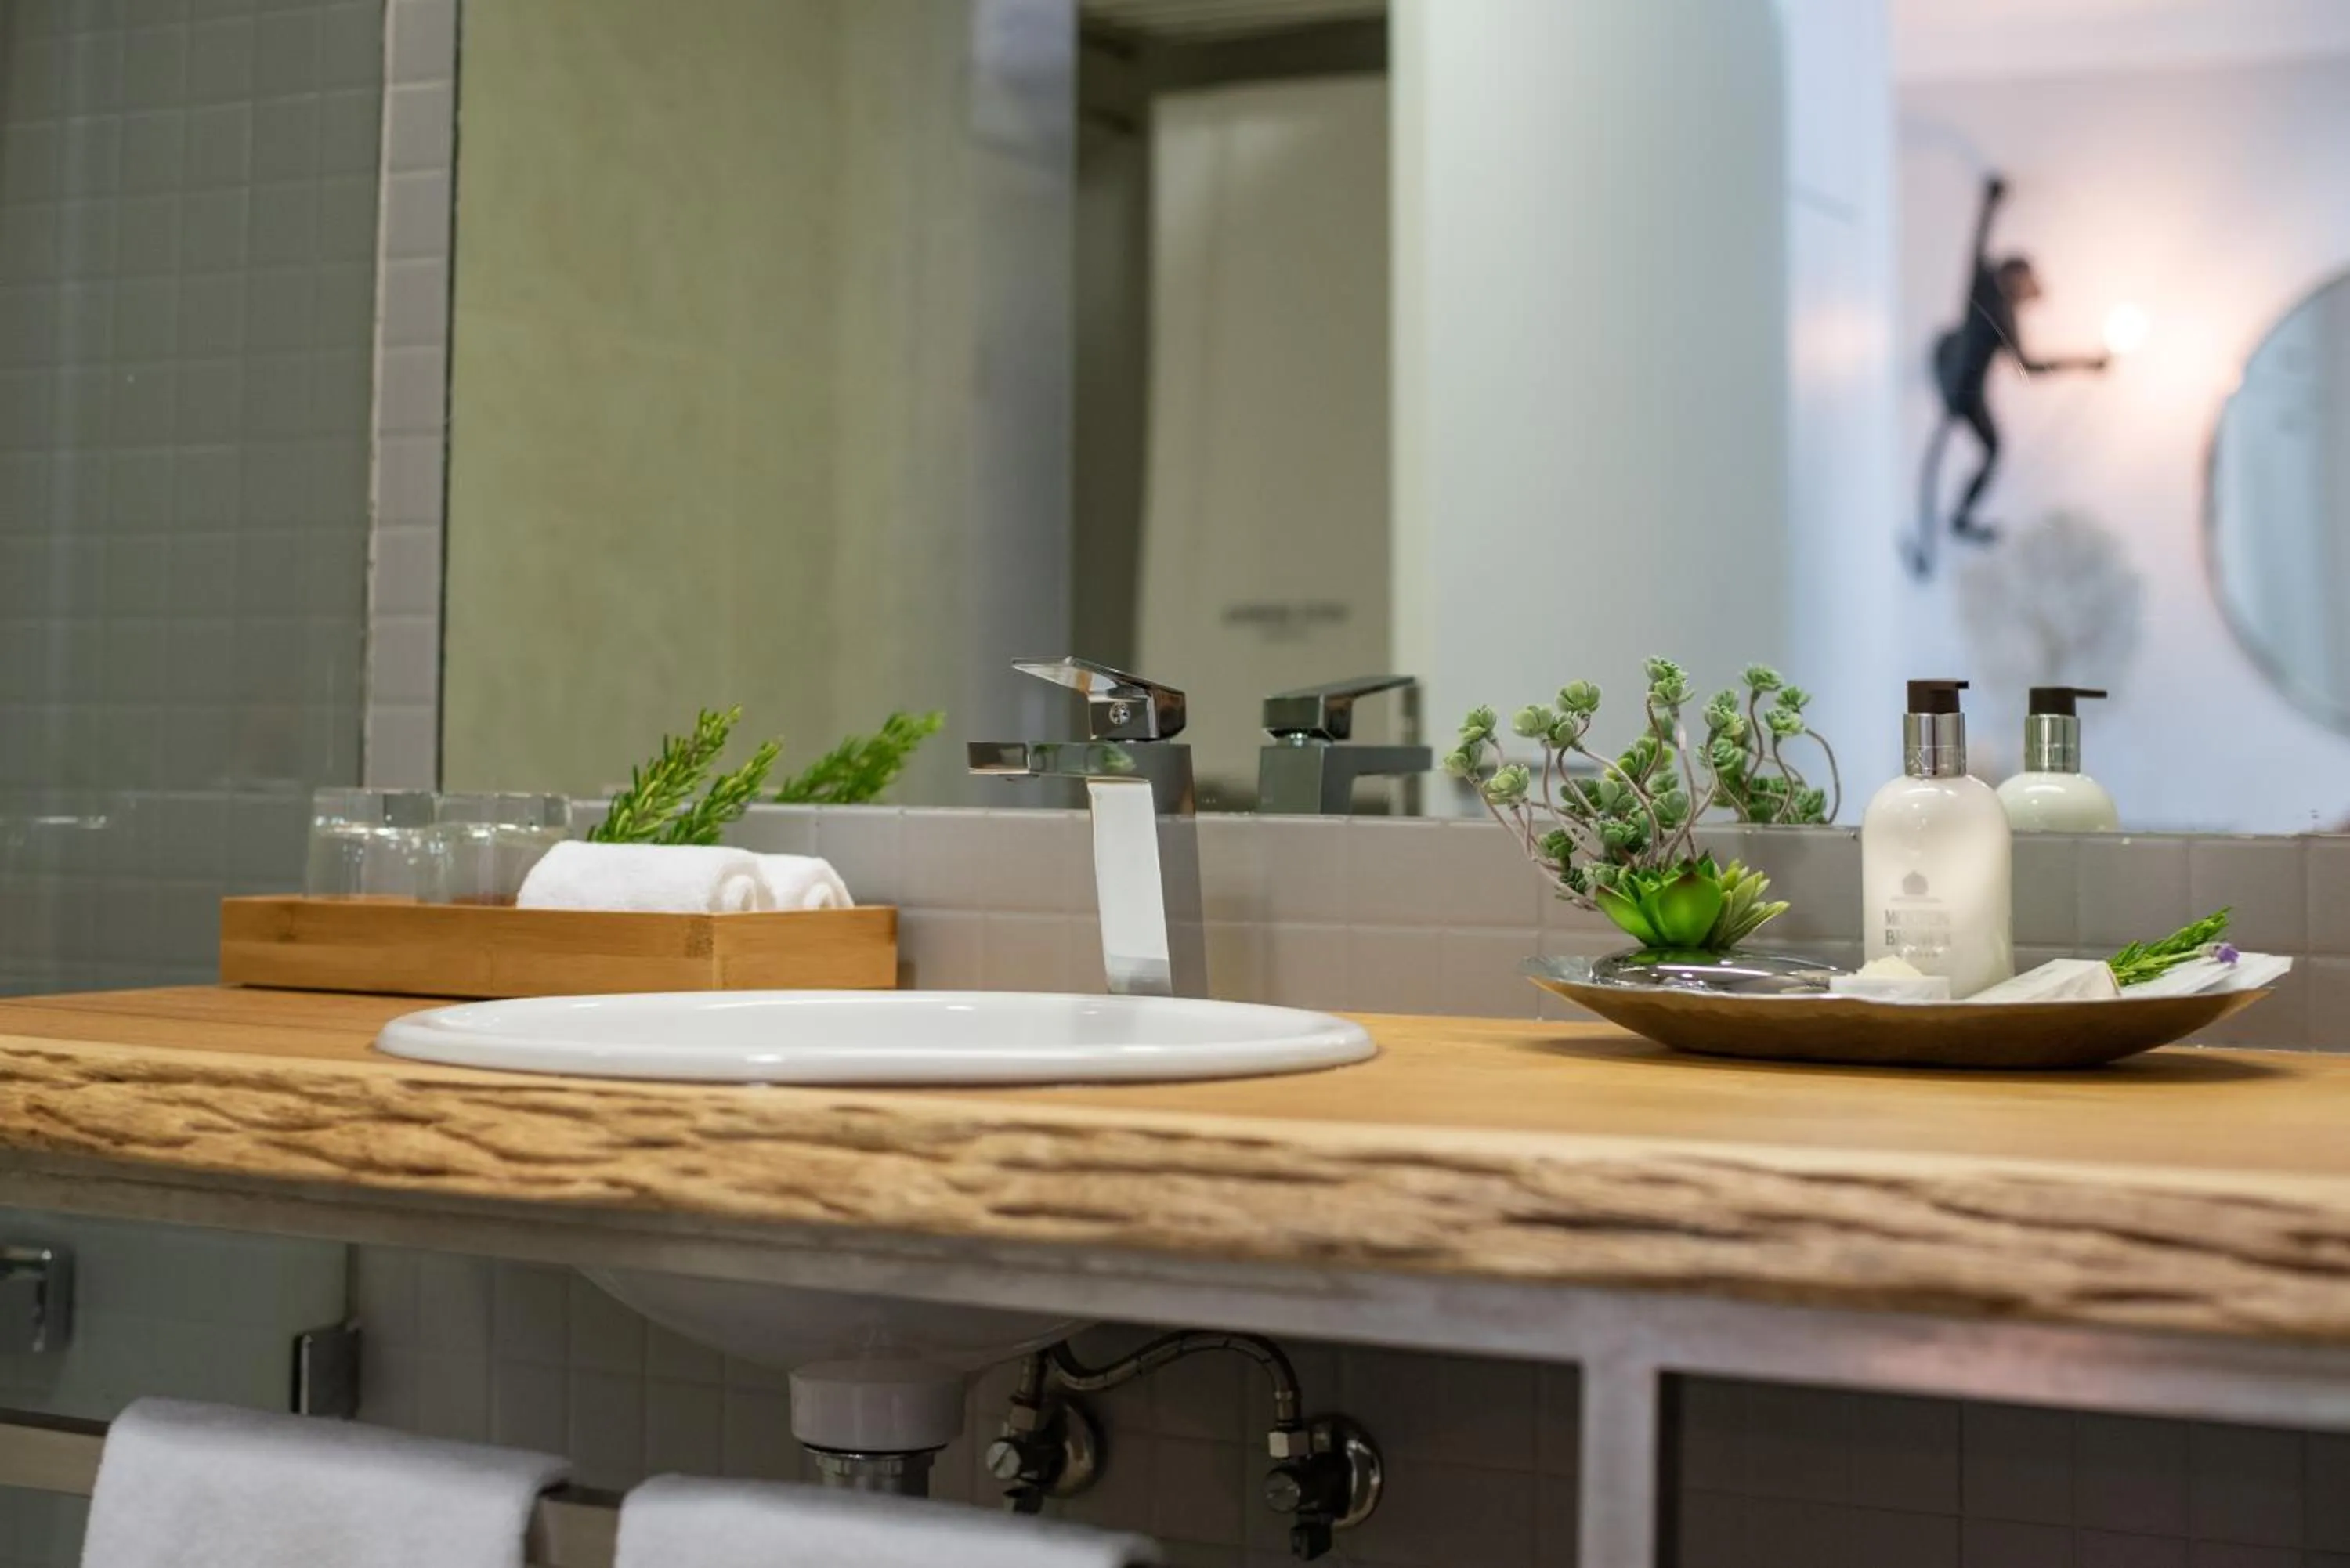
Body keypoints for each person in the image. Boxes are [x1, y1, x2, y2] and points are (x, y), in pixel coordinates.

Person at [1913, 175, 2109, 580]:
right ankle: (1958, 521)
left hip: (1957, 378)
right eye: (2029, 283)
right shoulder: (1995, 302)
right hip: (1959, 383)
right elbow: (2028, 368)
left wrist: (1991, 203)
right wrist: (2085, 363)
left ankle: (1959, 521)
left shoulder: (1993, 297)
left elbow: (1978, 245)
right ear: (2019, 277)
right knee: (1991, 448)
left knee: (1991, 449)